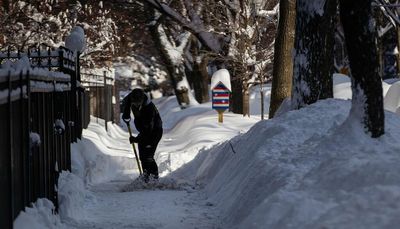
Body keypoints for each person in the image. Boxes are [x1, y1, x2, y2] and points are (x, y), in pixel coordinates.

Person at [122, 88, 163, 182]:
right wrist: (126, 115)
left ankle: (154, 178)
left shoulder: (149, 109)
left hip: (154, 131)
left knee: (148, 156)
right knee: (142, 156)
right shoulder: (130, 99)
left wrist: (137, 139)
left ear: (142, 100)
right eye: (134, 103)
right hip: (143, 130)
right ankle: (146, 176)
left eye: (138, 103)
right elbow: (126, 106)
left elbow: (148, 129)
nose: (136, 105)